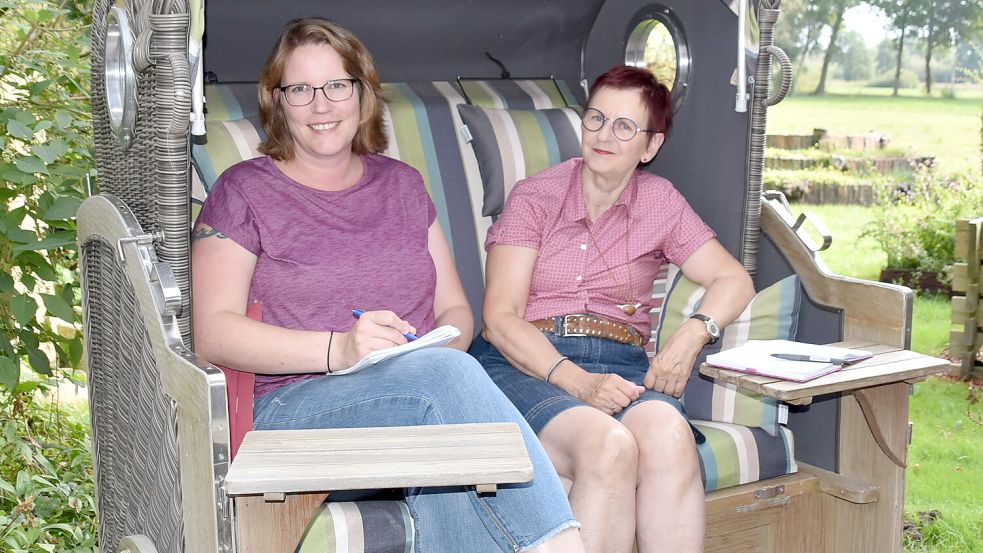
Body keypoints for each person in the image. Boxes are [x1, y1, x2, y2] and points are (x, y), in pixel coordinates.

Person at [191, 17, 586, 553]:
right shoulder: (243, 192)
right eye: (301, 90)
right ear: (277, 101)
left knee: (448, 435)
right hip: (290, 411)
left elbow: (454, 310)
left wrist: (425, 347)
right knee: (444, 382)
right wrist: (341, 349)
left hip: (418, 393)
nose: (321, 105)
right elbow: (211, 333)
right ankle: (561, 546)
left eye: (337, 86)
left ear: (362, 93)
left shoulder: (402, 184)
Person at [471, 65, 755, 553]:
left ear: (650, 146)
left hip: (622, 362)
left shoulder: (660, 203)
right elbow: (499, 319)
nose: (604, 135)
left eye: (625, 127)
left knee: (669, 436)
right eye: (596, 118)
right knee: (609, 446)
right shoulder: (535, 197)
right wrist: (578, 382)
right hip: (529, 362)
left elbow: (734, 279)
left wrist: (691, 336)